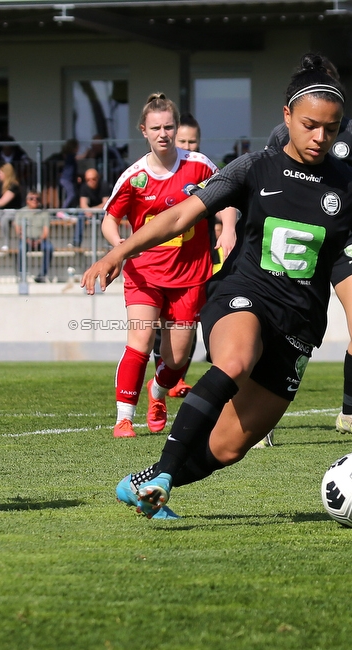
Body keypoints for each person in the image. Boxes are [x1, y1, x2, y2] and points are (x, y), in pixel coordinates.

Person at [82, 54, 352, 519]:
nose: (320, 137)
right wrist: (117, 252)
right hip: (244, 293)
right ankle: (165, 476)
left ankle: (145, 481)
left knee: (230, 446)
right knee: (234, 360)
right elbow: (177, 216)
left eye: (331, 129)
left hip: (300, 323)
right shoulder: (252, 168)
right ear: (287, 116)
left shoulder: (351, 187)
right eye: (310, 124)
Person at [263, 56, 352, 446]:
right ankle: (261, 419)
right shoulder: (279, 136)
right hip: (296, 241)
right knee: (276, 331)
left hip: (342, 240)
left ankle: (350, 414)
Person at [100, 93, 220, 439]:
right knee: (139, 340)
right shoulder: (134, 177)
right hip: (145, 274)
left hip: (189, 275)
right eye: (156, 127)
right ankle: (124, 418)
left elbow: (225, 197)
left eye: (169, 126)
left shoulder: (199, 165)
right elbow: (110, 219)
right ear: (144, 130)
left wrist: (227, 227)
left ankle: (158, 391)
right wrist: (120, 246)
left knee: (178, 357)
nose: (164, 133)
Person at [151, 112, 238, 401]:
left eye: (193, 141)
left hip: (198, 263)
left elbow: (225, 198)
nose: (188, 145)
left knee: (195, 324)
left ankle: (180, 378)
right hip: (164, 265)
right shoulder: (158, 171)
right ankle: (166, 381)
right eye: (183, 140)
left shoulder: (203, 170)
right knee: (165, 331)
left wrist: (226, 227)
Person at [16, 190, 55, 282]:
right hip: (25, 240)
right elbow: (18, 230)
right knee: (21, 248)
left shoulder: (44, 213)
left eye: (37, 198)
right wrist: (27, 240)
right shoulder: (21, 212)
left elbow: (46, 231)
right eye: (31, 198)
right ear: (27, 201)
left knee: (49, 248)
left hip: (40, 240)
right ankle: (22, 275)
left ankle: (42, 275)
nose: (34, 200)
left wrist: (39, 240)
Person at [73, 168, 110, 248]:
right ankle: (76, 242)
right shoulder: (84, 187)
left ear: (98, 178)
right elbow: (83, 204)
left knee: (107, 217)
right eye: (88, 180)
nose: (91, 181)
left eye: (93, 179)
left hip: (102, 211)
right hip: (90, 210)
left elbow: (105, 203)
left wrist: (92, 210)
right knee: (80, 215)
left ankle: (109, 242)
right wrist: (87, 210)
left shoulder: (104, 186)